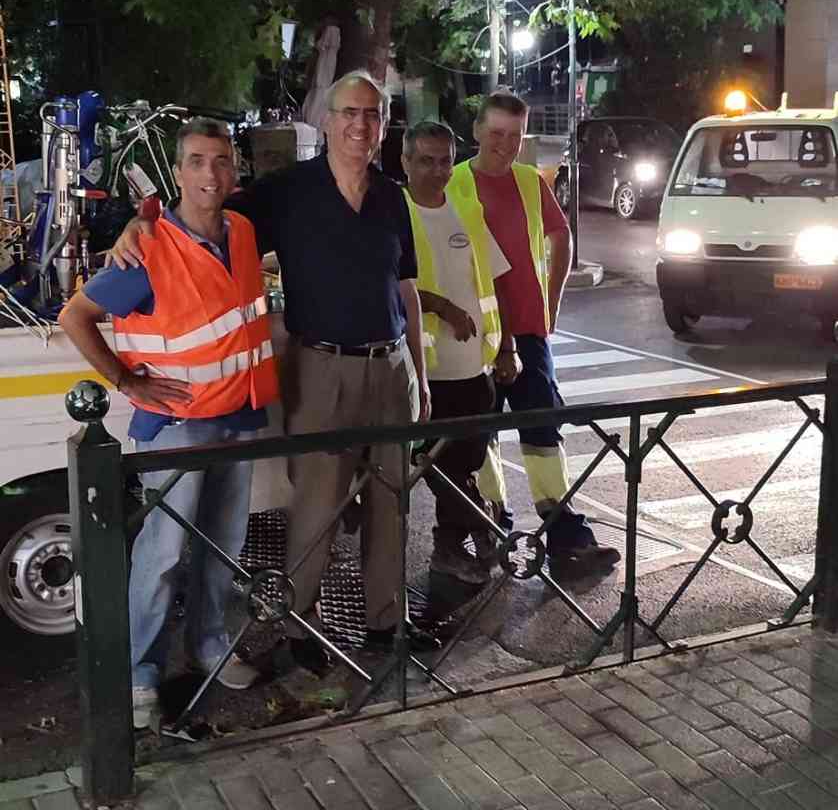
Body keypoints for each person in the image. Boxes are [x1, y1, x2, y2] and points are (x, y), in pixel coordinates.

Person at [109, 72, 437, 672]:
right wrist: (144, 219)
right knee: (317, 505)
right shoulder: (289, 191)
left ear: (384, 125)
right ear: (328, 122)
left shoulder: (392, 196)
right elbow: (202, 209)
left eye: (372, 114)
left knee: (391, 503)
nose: (360, 124)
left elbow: (406, 288)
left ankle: (387, 624)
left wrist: (420, 371)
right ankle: (301, 625)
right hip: (321, 368)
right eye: (349, 113)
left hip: (391, 369)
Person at [59, 118, 278, 728]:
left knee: (222, 545)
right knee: (161, 553)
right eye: (198, 161)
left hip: (237, 414)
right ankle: (139, 674)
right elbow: (76, 315)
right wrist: (126, 382)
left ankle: (210, 647)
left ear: (235, 169)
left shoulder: (241, 231)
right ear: (179, 172)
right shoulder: (147, 248)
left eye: (222, 160)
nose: (212, 173)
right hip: (177, 424)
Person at [447, 90, 621, 576]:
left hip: (527, 330)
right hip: (476, 335)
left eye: (514, 135)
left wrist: (554, 299)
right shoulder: (454, 183)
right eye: (496, 133)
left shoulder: (529, 181)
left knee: (544, 432)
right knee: (478, 439)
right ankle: (491, 526)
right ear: (477, 131)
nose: (504, 144)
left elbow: (560, 235)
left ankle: (566, 536)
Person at [401, 121, 521, 585]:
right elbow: (386, 286)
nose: (437, 171)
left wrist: (507, 346)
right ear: (405, 162)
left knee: (464, 462)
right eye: (425, 161)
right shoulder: (395, 213)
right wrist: (441, 306)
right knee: (438, 464)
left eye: (445, 161)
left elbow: (497, 282)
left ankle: (456, 544)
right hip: (425, 371)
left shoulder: (468, 211)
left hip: (476, 367)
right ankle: (480, 530)